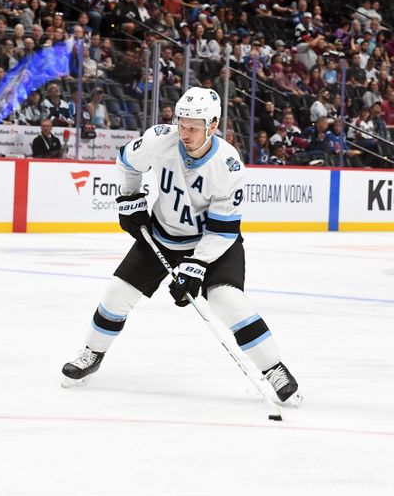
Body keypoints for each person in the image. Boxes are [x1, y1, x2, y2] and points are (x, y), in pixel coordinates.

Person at [60, 87, 301, 407]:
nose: (184, 133)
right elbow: (126, 161)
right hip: (163, 234)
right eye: (182, 124)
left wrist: (197, 265)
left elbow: (223, 229)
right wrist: (130, 198)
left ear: (212, 126)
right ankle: (92, 352)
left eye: (193, 127)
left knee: (226, 299)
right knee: (117, 293)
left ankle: (274, 370)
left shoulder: (228, 166)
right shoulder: (161, 140)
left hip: (213, 243)